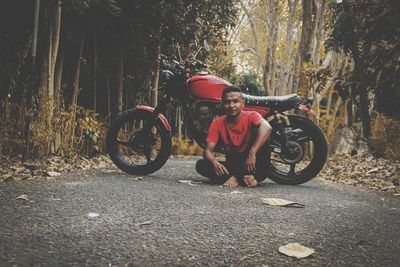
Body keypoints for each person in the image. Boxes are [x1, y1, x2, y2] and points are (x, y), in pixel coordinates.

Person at [196, 85, 272, 188]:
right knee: (201, 165)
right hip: (235, 161)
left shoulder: (252, 116)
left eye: (235, 101)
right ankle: (248, 179)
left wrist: (252, 152)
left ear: (242, 103)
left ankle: (236, 177)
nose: (231, 105)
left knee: (261, 134)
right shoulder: (218, 123)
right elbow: (208, 150)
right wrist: (214, 162)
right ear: (223, 104)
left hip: (253, 162)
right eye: (227, 102)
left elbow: (267, 127)